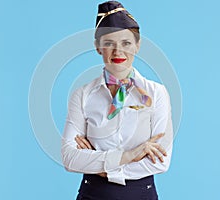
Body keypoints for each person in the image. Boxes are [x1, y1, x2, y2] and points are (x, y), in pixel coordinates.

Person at [61, 1, 173, 199]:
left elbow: (160, 162)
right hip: (92, 195)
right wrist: (130, 155)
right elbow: (70, 158)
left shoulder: (157, 93)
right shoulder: (82, 95)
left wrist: (98, 163)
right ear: (98, 47)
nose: (118, 52)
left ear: (137, 46)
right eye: (109, 44)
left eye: (126, 43)